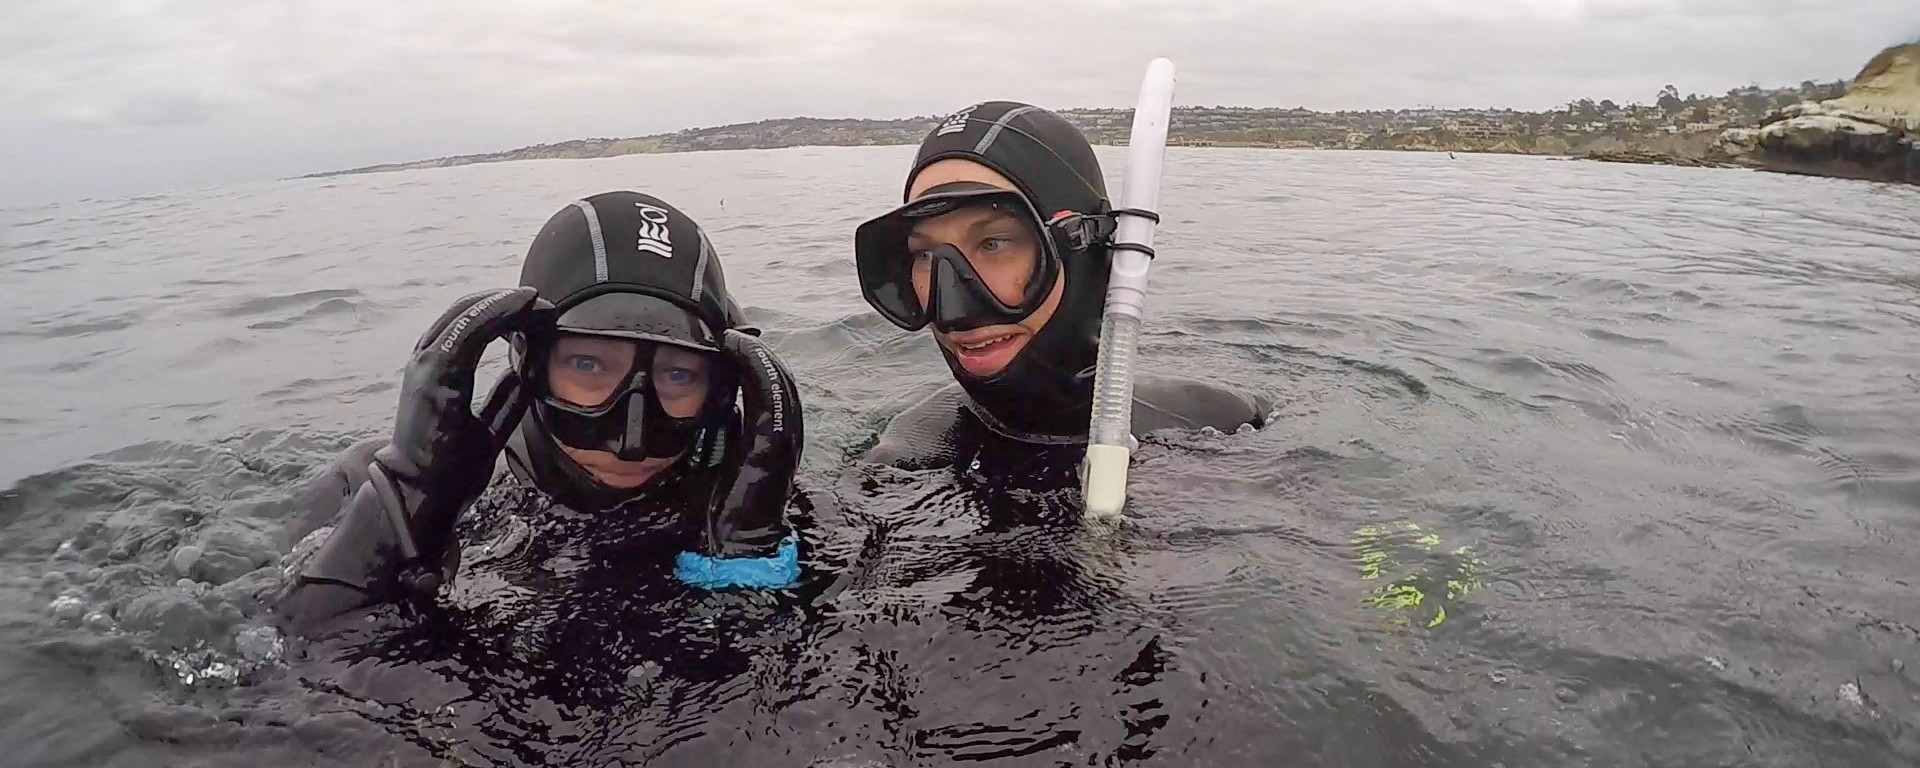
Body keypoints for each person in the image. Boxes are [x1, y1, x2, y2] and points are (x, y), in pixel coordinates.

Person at [274, 190, 805, 641]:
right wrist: (405, 512)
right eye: (589, 363)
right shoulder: (367, 491)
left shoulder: (761, 504)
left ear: (724, 387)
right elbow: (271, 692)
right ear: (528, 360)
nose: (632, 439)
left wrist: (747, 555)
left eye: (679, 375)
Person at [853, 101, 1266, 480]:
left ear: (1085, 251)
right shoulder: (903, 465)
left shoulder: (1224, 426)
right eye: (925, 255)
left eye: (994, 243)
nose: (953, 309)